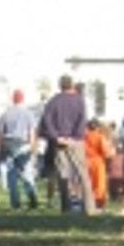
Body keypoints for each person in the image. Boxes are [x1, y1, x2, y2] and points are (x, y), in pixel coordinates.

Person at [38, 75, 89, 212]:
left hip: (59, 142)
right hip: (76, 141)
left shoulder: (53, 102)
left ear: (60, 85)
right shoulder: (79, 101)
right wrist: (74, 137)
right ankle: (89, 207)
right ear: (72, 85)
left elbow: (47, 122)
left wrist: (56, 137)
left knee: (63, 174)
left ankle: (65, 207)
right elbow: (82, 120)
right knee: (82, 173)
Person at [0, 90, 38, 209]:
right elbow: (31, 132)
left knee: (11, 174)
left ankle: (15, 202)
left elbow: (0, 134)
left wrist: (0, 148)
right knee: (26, 172)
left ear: (13, 99)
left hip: (9, 144)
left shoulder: (5, 114)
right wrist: (33, 147)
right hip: (23, 143)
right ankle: (31, 197)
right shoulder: (28, 114)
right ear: (23, 99)